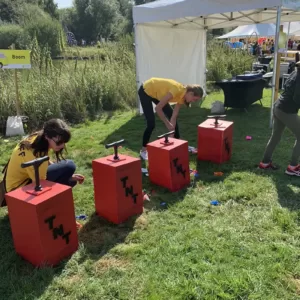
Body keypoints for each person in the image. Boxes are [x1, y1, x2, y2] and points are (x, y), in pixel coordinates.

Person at [138, 77, 204, 160]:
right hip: (146, 90)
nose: (193, 101)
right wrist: (167, 123)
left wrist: (172, 132)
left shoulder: (183, 96)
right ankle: (143, 150)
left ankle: (179, 142)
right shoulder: (176, 90)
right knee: (151, 123)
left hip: (157, 93)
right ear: (190, 93)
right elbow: (158, 108)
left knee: (171, 114)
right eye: (194, 99)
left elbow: (174, 115)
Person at [259, 62, 300, 175]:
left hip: (278, 106)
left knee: (275, 136)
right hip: (287, 110)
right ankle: (293, 167)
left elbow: (287, 87)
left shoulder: (294, 72)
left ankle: (265, 163)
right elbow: (297, 97)